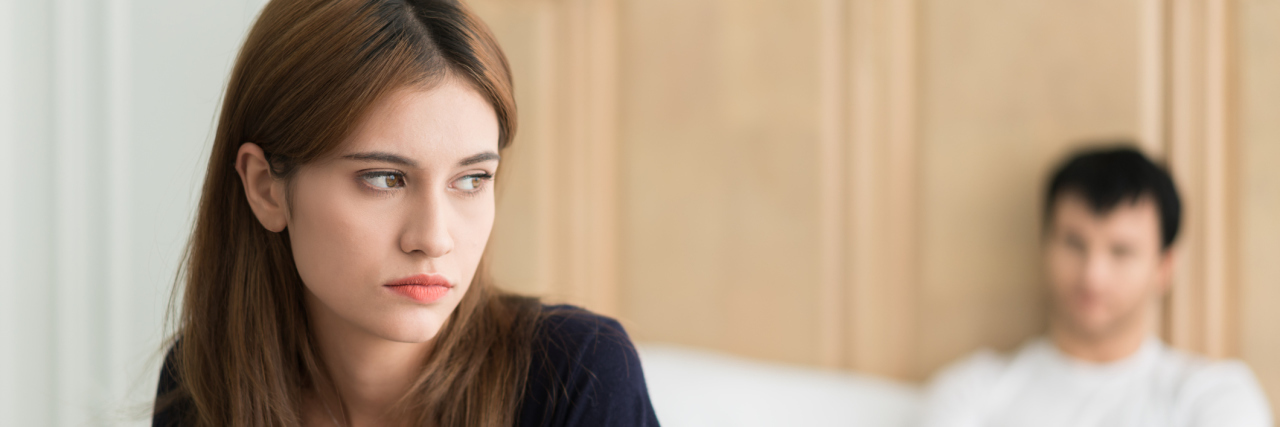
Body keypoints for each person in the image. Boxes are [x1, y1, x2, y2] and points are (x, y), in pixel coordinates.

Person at [150, 0, 659, 426]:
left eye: (471, 180)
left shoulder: (578, 377)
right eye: (384, 178)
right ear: (266, 188)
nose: (434, 239)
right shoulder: (204, 380)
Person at [920, 145, 1273, 427]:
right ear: (1045, 246)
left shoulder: (1214, 396)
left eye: (1121, 252)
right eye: (1074, 244)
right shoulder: (970, 392)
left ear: (1164, 267)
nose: (1093, 275)